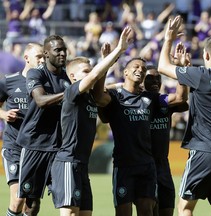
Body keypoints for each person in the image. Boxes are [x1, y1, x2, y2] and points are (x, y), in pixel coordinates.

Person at [157, 15, 211, 216]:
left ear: (206, 56)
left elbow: (162, 67)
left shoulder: (201, 76)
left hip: (203, 151)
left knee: (185, 207)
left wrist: (168, 38)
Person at [50, 26, 132, 216]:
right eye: (84, 71)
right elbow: (95, 76)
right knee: (70, 213)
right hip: (68, 162)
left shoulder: (90, 97)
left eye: (89, 70)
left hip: (82, 164)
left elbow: (100, 83)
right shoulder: (72, 93)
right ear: (73, 77)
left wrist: (109, 69)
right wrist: (118, 51)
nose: (89, 73)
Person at [94, 51, 188, 215]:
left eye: (143, 69)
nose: (140, 70)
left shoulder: (150, 98)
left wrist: (180, 69)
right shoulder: (115, 97)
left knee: (147, 211)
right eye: (136, 67)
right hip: (124, 166)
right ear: (125, 72)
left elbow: (180, 98)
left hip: (147, 166)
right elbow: (97, 97)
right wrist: (106, 64)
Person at [16, 35, 71, 215]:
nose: (63, 53)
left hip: (59, 147)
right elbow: (40, 100)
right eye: (58, 50)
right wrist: (70, 93)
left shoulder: (66, 77)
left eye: (64, 50)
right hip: (34, 144)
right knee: (32, 204)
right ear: (46, 54)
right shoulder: (36, 73)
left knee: (67, 202)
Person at [145, 43, 189, 216]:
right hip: (145, 165)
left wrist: (180, 70)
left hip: (164, 165)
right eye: (150, 78)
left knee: (167, 209)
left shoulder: (164, 101)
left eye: (158, 79)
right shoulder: (135, 101)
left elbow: (182, 100)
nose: (155, 82)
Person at [0, 43, 44, 216]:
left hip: (37, 149)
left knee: (32, 204)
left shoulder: (47, 83)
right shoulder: (8, 81)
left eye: (44, 57)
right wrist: (4, 115)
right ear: (26, 58)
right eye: (38, 56)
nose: (42, 60)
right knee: (18, 198)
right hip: (14, 146)